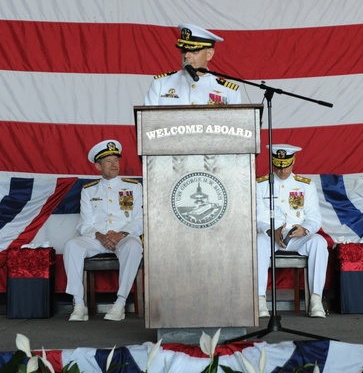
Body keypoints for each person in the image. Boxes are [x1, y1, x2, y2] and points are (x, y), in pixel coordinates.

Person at [62, 139, 144, 322]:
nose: (114, 164)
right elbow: (84, 224)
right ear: (98, 166)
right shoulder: (88, 190)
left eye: (116, 160)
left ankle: (120, 304)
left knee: (133, 246)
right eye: (108, 161)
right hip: (97, 239)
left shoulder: (133, 187)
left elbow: (139, 221)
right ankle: (79, 304)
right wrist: (100, 236)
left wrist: (119, 234)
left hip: (123, 237)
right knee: (71, 245)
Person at [256, 144, 328, 318]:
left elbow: (315, 218)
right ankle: (259, 300)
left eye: (286, 165)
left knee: (319, 242)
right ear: (273, 162)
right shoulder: (260, 184)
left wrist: (305, 229)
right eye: (278, 165)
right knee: (258, 242)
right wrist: (270, 230)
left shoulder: (305, 185)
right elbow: (256, 216)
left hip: (296, 235)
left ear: (294, 160)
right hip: (270, 235)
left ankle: (316, 299)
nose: (282, 170)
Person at [144, 23, 243, 106]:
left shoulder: (228, 91)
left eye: (194, 51)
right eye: (184, 50)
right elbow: (147, 124)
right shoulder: (160, 84)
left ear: (209, 54)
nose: (186, 55)